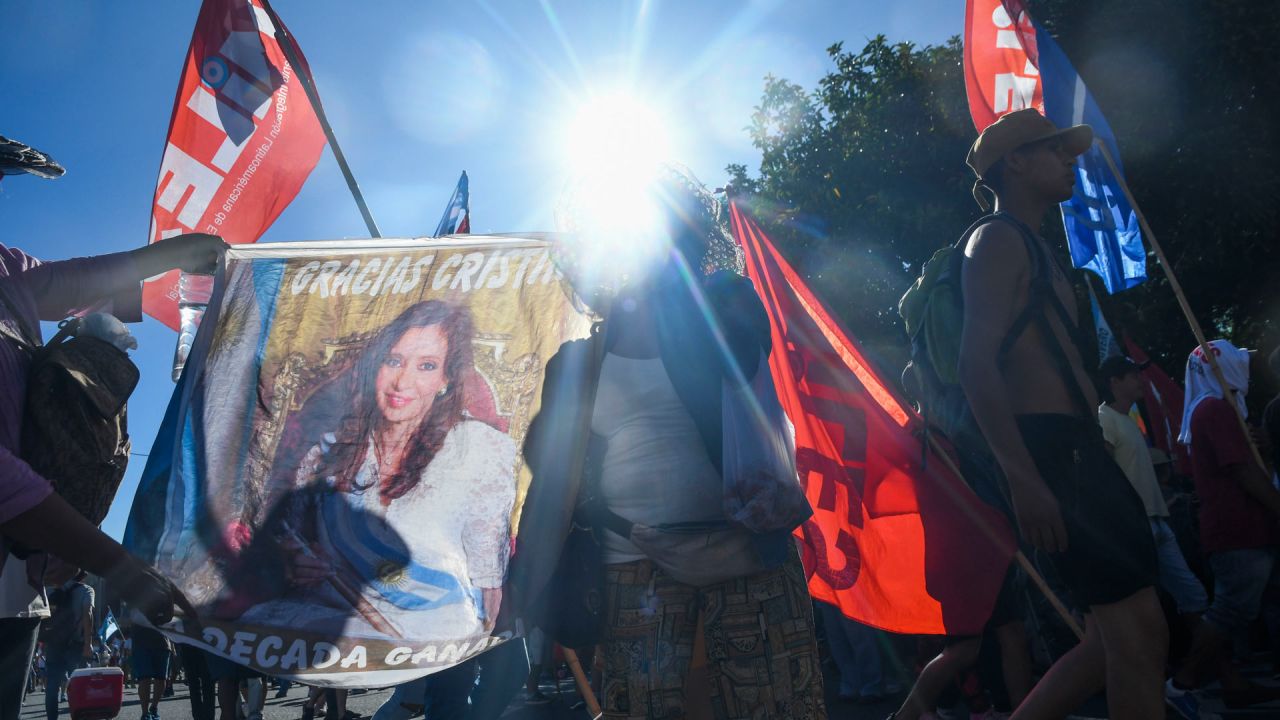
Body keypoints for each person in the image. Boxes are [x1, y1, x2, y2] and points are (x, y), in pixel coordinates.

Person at [514, 167, 826, 719]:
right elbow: (554, 475)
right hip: (633, 566)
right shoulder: (575, 362)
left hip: (748, 553)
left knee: (776, 707)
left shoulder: (723, 307)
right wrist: (529, 582)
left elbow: (750, 337)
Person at [957, 108, 1166, 719]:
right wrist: (1024, 478)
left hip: (1076, 447)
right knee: (1139, 633)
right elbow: (976, 366)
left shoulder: (1033, 246)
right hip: (1055, 453)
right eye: (1055, 151)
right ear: (1015, 163)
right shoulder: (994, 239)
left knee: (1109, 641)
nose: (1070, 161)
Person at [0, 137, 217, 720]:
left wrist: (171, 253)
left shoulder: (8, 269)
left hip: (15, 581)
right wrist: (116, 564)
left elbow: (77, 280)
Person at [243, 300, 517, 642]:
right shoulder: (326, 452)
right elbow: (286, 540)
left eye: (427, 366)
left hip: (437, 620)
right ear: (377, 366)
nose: (402, 382)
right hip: (337, 612)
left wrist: (483, 633)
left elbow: (487, 575)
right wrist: (293, 565)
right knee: (254, 622)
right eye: (394, 361)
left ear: (446, 379)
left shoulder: (479, 448)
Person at [1169, 340, 1280, 712]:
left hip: (1244, 527)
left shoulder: (1219, 409)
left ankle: (1232, 684)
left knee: (1251, 605)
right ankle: (1182, 684)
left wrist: (1262, 449)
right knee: (1231, 611)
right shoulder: (1216, 410)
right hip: (1239, 528)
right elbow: (1241, 470)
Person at [1097, 355, 1209, 623]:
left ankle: (1211, 663)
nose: (1140, 381)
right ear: (1114, 381)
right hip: (1136, 526)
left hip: (1157, 521)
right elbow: (1104, 475)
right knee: (1152, 608)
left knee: (1194, 599)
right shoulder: (1104, 418)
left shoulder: (1128, 421)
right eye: (1133, 376)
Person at [43, 572, 94, 720]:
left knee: (52, 687)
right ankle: (80, 716)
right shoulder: (86, 590)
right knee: (80, 685)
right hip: (76, 644)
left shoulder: (50, 590)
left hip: (54, 644)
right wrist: (88, 644)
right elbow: (88, 614)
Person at [131, 624, 172, 720]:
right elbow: (124, 619)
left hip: (163, 643)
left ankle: (154, 708)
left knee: (161, 678)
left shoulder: (164, 608)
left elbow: (171, 617)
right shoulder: (133, 607)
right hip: (141, 643)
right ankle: (145, 713)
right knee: (144, 678)